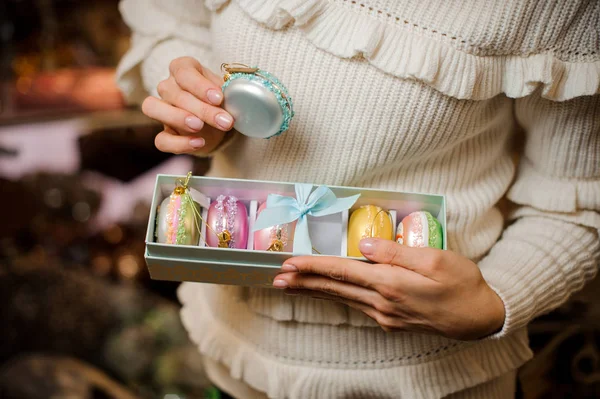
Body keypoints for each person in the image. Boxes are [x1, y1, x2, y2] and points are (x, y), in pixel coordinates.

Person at [116, 0, 600, 397]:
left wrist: (498, 301)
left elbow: (577, 202)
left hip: (428, 378)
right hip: (230, 343)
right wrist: (194, 97)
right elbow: (168, 19)